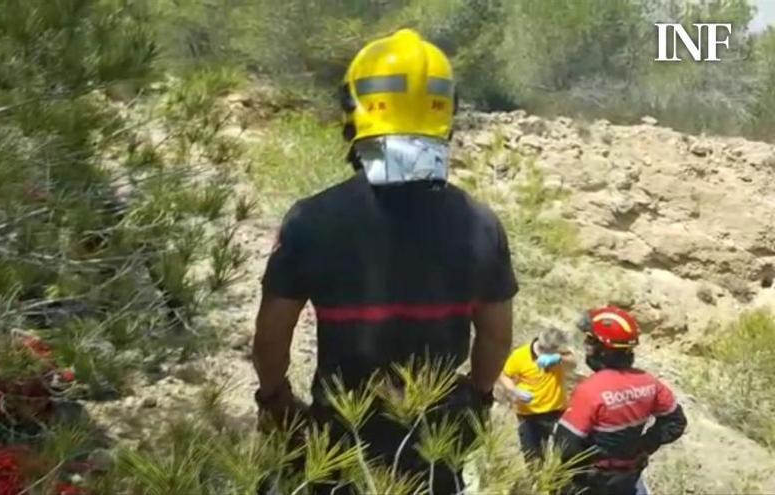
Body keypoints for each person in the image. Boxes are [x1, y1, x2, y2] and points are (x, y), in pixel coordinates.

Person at [251, 28, 518, 494]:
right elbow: (496, 336)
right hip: (432, 444)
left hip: (338, 440)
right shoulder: (480, 224)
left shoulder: (311, 219)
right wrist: (476, 397)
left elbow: (272, 332)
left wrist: (274, 398)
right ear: (446, 117)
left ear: (353, 114)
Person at [553, 306, 687, 495]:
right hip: (628, 480)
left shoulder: (591, 390)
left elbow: (565, 446)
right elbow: (676, 422)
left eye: (590, 340)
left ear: (603, 349)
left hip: (593, 483)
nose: (586, 347)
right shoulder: (650, 382)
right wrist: (643, 447)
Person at [498, 326, 576, 462]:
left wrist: (558, 358)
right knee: (533, 457)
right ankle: (537, 481)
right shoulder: (520, 355)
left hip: (556, 412)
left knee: (565, 453)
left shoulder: (559, 354)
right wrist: (514, 391)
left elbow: (573, 363)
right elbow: (505, 375)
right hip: (528, 414)